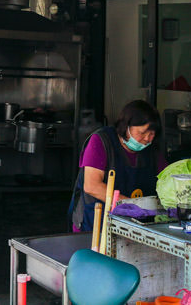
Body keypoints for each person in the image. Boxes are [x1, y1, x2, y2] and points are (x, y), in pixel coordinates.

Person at [69, 100, 166, 233]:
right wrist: (134, 206)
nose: (147, 139)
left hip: (133, 227)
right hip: (94, 223)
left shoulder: (152, 150)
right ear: (126, 127)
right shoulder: (101, 141)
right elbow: (92, 186)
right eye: (142, 133)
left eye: (152, 134)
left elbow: (167, 179)